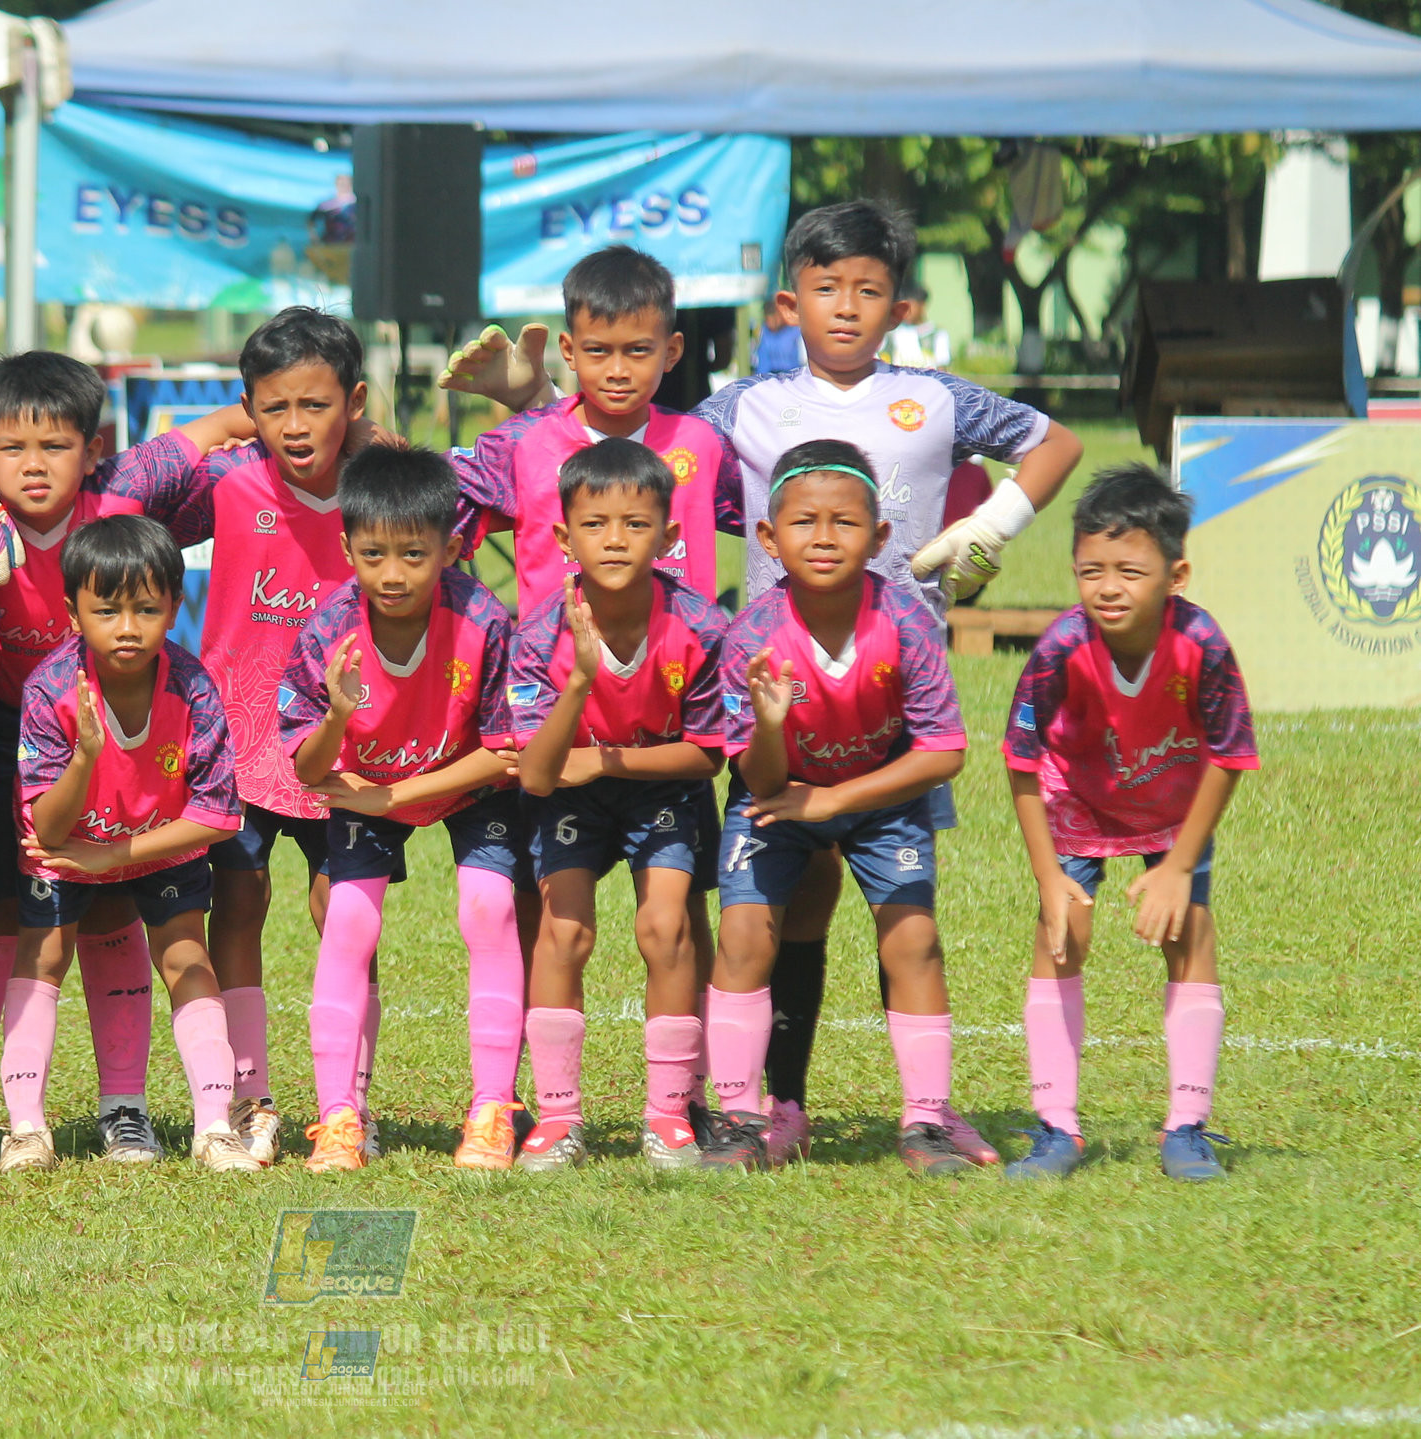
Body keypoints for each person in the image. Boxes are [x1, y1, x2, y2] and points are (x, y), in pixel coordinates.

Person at [439, 201, 1084, 1160]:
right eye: (827, 290)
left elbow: (1047, 445)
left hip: (805, 698)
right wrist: (533, 401)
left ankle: (755, 1100)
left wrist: (988, 531)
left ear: (899, 304)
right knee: (620, 914)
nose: (848, 308)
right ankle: (611, 1104)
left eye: (869, 290)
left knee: (798, 911)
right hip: (662, 703)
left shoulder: (859, 410)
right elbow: (581, 466)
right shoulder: (738, 408)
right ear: (792, 302)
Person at [0, 351, 252, 1164]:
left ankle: (147, 1110)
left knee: (132, 919)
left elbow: (227, 424)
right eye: (13, 449)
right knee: (14, 929)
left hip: (132, 747)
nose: (34, 464)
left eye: (55, 446)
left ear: (92, 449)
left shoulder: (123, 497)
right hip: (16, 732)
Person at [100, 306, 371, 1165]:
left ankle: (345, 1103)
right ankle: (250, 1097)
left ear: (353, 402)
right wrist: (213, 427)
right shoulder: (232, 479)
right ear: (251, 408)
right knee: (240, 906)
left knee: (347, 917)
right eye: (273, 407)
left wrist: (387, 447)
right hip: (238, 749)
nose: (294, 426)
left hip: (345, 747)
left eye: (316, 406)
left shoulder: (383, 488)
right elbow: (116, 493)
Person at [706, 440, 995, 1177]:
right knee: (743, 935)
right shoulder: (752, 635)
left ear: (881, 537)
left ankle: (926, 1121)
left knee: (914, 940)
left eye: (845, 522)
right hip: (776, 796)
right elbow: (756, 775)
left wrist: (834, 798)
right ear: (769, 538)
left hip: (882, 797)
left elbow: (942, 751)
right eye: (804, 521)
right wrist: (770, 723)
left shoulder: (905, 622)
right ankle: (741, 1116)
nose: (825, 537)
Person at [1001, 465, 1257, 1183]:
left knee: (1190, 933)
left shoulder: (1203, 644)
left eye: (1129, 570)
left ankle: (1187, 1126)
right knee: (1061, 936)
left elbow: (1230, 755)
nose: (1107, 586)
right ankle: (1058, 1127)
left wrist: (1178, 868)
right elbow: (1021, 762)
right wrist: (1050, 879)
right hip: (1076, 803)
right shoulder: (1057, 650)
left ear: (1175, 574)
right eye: (1091, 570)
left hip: (1172, 811)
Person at [278, 447, 525, 1172]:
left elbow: (505, 749)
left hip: (465, 786)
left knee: (488, 907)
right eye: (374, 553)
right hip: (366, 787)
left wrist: (396, 794)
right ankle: (339, 1117)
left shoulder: (482, 618)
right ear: (346, 546)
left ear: (451, 548)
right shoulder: (329, 630)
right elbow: (308, 768)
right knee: (350, 919)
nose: (392, 573)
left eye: (414, 554)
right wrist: (337, 714)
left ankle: (492, 1111)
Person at [0, 516, 260, 1174]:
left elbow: (221, 813)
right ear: (73, 611)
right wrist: (85, 757)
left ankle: (214, 1128)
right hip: (67, 848)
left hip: (157, 846)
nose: (127, 626)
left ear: (176, 602)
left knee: (186, 959)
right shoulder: (52, 690)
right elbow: (48, 831)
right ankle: (25, 1129)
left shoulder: (192, 687)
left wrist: (116, 855)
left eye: (146, 608)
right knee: (44, 952)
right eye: (106, 609)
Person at [509, 439, 726, 1172]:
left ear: (670, 537)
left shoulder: (698, 625)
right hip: (571, 795)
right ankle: (559, 1117)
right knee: (562, 932)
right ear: (562, 538)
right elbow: (538, 777)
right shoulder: (541, 633)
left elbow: (708, 751)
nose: (615, 539)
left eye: (636, 524)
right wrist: (578, 684)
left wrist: (605, 758)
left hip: (660, 786)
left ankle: (668, 1113)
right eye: (595, 524)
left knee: (666, 926)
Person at [447, 245, 738, 620]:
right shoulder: (524, 445)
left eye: (637, 350)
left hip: (678, 672)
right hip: (557, 674)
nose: (618, 370)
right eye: (598, 350)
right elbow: (412, 509)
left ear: (672, 350)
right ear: (568, 350)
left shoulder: (702, 445)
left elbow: (789, 514)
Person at [750, 304, 804, 375]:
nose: (769, 322)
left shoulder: (797, 331)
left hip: (794, 376)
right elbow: (762, 365)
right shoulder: (764, 333)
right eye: (767, 318)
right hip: (771, 378)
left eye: (773, 315)